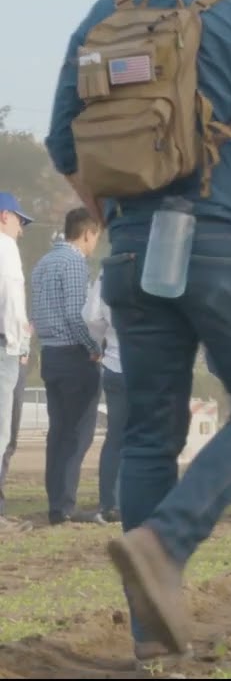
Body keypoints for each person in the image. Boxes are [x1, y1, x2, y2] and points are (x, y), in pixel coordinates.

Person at [44, 0, 231, 663]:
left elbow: (63, 143)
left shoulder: (112, 5)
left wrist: (120, 219)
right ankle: (165, 542)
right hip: (225, 251)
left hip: (131, 251)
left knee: (147, 435)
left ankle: (149, 642)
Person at [30, 208, 103, 525]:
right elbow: (77, 314)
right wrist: (93, 348)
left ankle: (56, 503)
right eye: (96, 238)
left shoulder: (43, 263)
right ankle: (65, 506)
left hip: (50, 353)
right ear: (88, 233)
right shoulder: (74, 262)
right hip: (74, 355)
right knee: (78, 433)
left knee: (58, 432)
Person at [0, 192, 33, 533]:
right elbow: (10, 294)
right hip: (3, 348)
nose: (22, 228)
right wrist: (18, 343)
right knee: (1, 433)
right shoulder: (5, 247)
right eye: (20, 220)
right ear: (3, 216)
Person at [83, 269, 125, 524]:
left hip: (116, 363)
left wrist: (101, 341)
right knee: (151, 437)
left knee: (116, 437)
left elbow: (91, 316)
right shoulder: (163, 262)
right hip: (153, 367)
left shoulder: (107, 271)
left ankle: (111, 503)